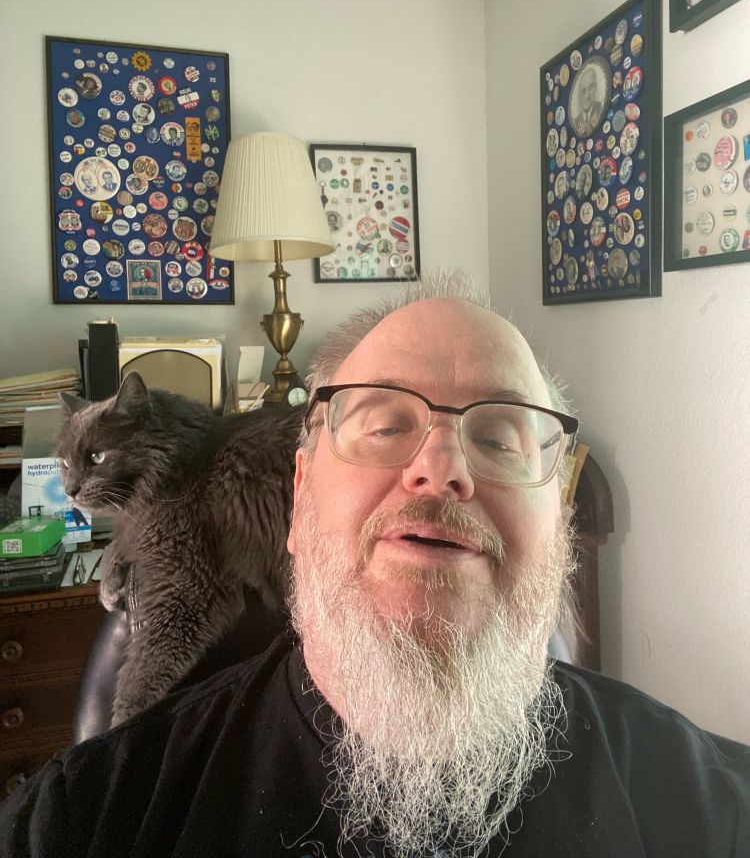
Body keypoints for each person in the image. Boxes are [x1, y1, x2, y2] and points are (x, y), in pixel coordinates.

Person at [1, 272, 748, 857]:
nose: (441, 468)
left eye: (499, 439)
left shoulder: (711, 809)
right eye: (386, 424)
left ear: (559, 516)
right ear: (299, 499)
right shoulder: (82, 821)